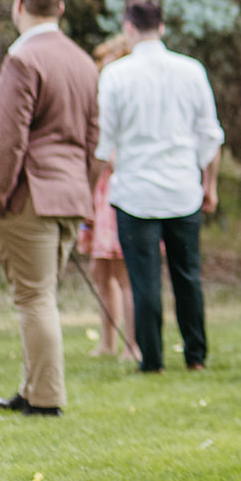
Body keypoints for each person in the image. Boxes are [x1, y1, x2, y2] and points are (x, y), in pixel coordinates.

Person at [0, 0, 99, 418]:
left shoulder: (22, 59)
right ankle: (32, 389)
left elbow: (9, 139)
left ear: (18, 5)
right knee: (41, 294)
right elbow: (94, 139)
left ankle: (46, 399)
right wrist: (82, 188)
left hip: (31, 195)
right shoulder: (85, 62)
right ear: (61, 9)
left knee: (33, 298)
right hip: (70, 195)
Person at [96, 0, 224, 374]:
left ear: (128, 29)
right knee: (188, 275)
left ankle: (152, 361)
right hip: (183, 189)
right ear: (162, 27)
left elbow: (105, 144)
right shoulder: (191, 70)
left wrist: (108, 173)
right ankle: (195, 357)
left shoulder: (115, 75)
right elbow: (210, 135)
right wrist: (209, 183)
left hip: (135, 192)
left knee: (144, 279)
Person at [78, 35, 139, 364]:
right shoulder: (103, 102)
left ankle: (133, 344)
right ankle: (107, 342)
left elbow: (114, 154)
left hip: (117, 194)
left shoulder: (127, 101)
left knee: (124, 274)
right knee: (100, 272)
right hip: (98, 196)